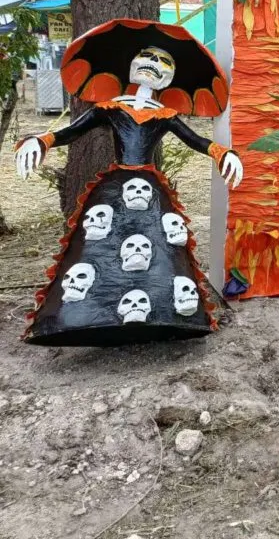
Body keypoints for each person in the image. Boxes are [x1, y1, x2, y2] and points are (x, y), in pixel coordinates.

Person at [14, 19, 242, 345]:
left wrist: (222, 153)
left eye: (164, 61)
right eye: (147, 56)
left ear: (171, 78)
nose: (153, 63)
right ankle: (81, 317)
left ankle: (168, 315)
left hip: (149, 188)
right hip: (114, 188)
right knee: (97, 245)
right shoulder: (110, 107)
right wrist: (43, 140)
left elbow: (194, 139)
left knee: (162, 247)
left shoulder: (164, 115)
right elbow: (71, 131)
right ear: (132, 62)